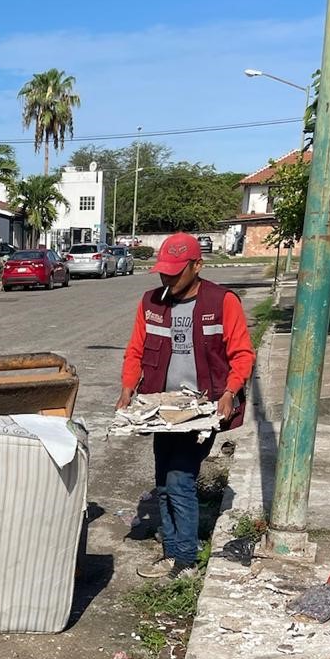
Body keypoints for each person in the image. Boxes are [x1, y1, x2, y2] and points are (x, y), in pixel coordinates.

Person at [116, 232, 255, 580]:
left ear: (197, 266)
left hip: (203, 409)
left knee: (180, 479)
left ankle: (186, 559)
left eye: (176, 272)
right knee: (163, 480)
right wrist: (128, 388)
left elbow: (242, 354)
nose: (168, 279)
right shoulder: (151, 302)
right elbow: (136, 349)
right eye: (164, 272)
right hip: (164, 409)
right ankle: (171, 552)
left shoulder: (222, 302)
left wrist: (230, 392)